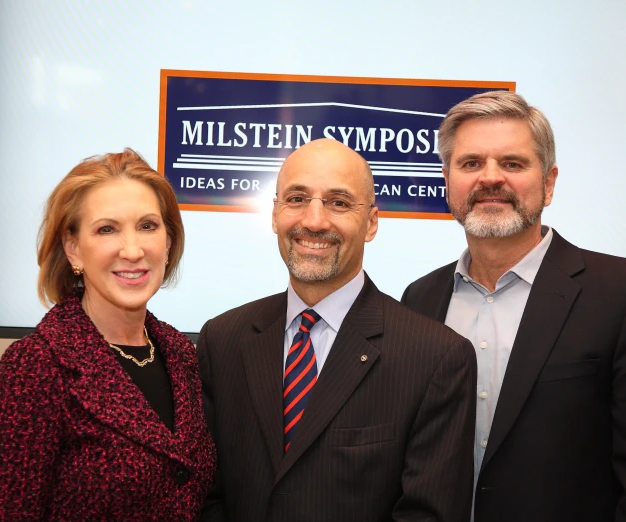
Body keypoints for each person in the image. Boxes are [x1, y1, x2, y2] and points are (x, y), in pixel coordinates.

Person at [401, 91, 626, 522]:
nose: (490, 178)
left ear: (549, 183)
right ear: (447, 179)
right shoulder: (419, 299)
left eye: (512, 164)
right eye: (471, 163)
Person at [197, 138, 477, 522]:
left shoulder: (436, 357)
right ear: (275, 213)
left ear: (372, 222)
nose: (314, 221)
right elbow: (206, 495)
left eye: (338, 202)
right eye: (297, 199)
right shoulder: (222, 340)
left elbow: (429, 514)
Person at [0, 149, 216, 521]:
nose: (133, 249)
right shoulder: (36, 366)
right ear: (73, 249)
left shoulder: (182, 354)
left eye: (148, 226)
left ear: (168, 242)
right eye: (107, 229)